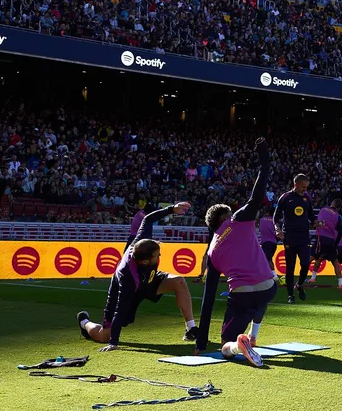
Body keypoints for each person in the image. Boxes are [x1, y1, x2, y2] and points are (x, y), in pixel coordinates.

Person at [196, 138, 277, 367]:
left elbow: (208, 299)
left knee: (225, 344)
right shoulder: (238, 220)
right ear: (224, 218)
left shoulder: (211, 251)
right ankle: (253, 333)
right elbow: (258, 191)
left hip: (241, 295)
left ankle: (237, 343)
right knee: (269, 287)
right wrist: (263, 157)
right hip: (266, 289)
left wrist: (201, 342)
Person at [78, 200, 196, 350]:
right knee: (104, 335)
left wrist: (171, 209)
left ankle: (191, 329)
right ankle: (84, 322)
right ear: (146, 261)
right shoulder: (128, 276)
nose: (159, 255)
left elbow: (147, 219)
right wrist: (113, 342)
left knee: (179, 281)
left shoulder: (142, 242)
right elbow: (120, 309)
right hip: (127, 291)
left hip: (149, 279)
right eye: (156, 255)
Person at [273, 173, 314, 303]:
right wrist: (277, 229)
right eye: (303, 187)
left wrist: (317, 222)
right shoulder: (285, 198)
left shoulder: (307, 198)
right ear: (296, 185)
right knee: (290, 267)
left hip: (304, 237)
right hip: (289, 237)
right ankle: (290, 295)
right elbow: (276, 217)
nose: (305, 190)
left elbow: (311, 216)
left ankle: (300, 285)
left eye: (307, 187)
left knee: (305, 264)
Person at [309, 199, 342, 290]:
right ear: (339, 207)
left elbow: (317, 222)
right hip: (332, 242)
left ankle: (303, 278)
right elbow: (340, 232)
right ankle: (341, 284)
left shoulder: (323, 209)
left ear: (332, 203)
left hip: (321, 238)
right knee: (335, 262)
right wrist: (335, 244)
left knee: (313, 258)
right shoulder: (337, 217)